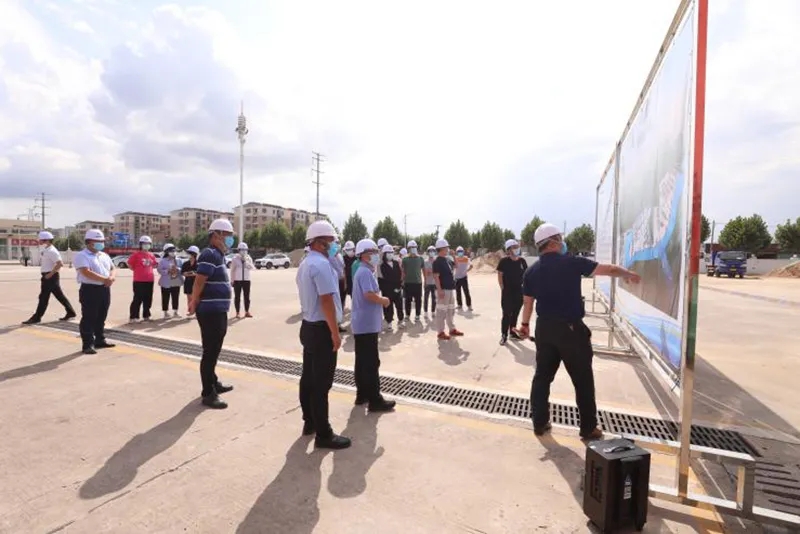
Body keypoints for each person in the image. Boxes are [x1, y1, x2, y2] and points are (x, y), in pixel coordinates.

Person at [519, 222, 641, 440]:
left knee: (542, 378)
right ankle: (588, 428)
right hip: (571, 331)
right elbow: (609, 269)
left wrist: (525, 325)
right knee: (582, 379)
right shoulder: (572, 262)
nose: (563, 242)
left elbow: (528, 302)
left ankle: (539, 422)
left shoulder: (531, 271)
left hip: (544, 329)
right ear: (553, 242)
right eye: (560, 238)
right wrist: (628, 273)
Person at [296, 220, 351, 449]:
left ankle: (309, 422)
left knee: (308, 378)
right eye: (331, 241)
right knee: (321, 384)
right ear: (320, 243)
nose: (334, 245)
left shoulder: (305, 263)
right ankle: (323, 434)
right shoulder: (321, 265)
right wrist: (335, 333)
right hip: (322, 329)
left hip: (308, 326)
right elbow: (326, 300)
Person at [188, 219, 236, 409]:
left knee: (214, 349)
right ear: (216, 235)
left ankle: (213, 382)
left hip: (218, 310)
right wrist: (194, 301)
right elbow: (199, 280)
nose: (230, 239)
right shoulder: (209, 253)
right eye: (228, 236)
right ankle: (208, 393)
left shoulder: (218, 255)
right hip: (210, 311)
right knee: (210, 351)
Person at [351, 238, 396, 412]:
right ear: (363, 255)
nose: (376, 255)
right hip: (366, 324)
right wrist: (383, 300)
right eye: (373, 252)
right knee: (371, 362)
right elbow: (369, 295)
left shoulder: (364, 271)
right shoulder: (364, 272)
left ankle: (362, 394)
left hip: (363, 323)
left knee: (362, 361)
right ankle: (375, 400)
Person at [73, 229, 116, 355]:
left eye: (102, 241)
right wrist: (104, 279)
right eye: (98, 241)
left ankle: (100, 340)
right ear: (89, 242)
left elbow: (113, 268)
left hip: (105, 289)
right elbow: (86, 272)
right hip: (90, 290)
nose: (101, 243)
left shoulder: (104, 255)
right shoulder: (82, 255)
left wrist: (111, 277)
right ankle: (87, 344)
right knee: (89, 317)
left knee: (102, 316)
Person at [22, 231, 76, 325]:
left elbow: (60, 263)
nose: (39, 241)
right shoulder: (47, 249)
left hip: (50, 277)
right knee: (59, 296)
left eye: (41, 240)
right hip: (48, 276)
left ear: (46, 240)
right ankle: (71, 312)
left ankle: (37, 317)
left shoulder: (52, 251)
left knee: (43, 297)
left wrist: (50, 274)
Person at [496, 239, 528, 345]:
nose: (517, 249)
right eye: (514, 247)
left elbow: (526, 275)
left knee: (515, 313)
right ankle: (504, 334)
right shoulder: (504, 261)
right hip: (507, 292)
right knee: (506, 314)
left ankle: (512, 333)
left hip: (519, 291)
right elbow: (500, 275)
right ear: (508, 250)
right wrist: (502, 288)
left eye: (517, 247)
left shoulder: (522, 261)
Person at [432, 238, 463, 340]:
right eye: (446, 247)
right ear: (441, 248)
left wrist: (454, 256)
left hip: (450, 289)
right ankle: (440, 332)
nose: (448, 249)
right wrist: (439, 290)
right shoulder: (437, 261)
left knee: (450, 310)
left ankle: (452, 329)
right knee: (441, 311)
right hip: (443, 290)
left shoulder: (448, 259)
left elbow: (457, 266)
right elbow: (436, 277)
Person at [127, 235, 157, 323]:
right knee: (137, 299)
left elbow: (154, 264)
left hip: (149, 280)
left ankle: (146, 316)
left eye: (148, 244)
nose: (146, 245)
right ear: (140, 244)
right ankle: (133, 317)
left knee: (148, 299)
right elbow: (129, 265)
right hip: (139, 281)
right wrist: (137, 271)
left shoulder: (151, 255)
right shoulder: (136, 255)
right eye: (144, 243)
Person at [378, 243, 404, 329]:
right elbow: (386, 277)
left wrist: (399, 286)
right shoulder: (382, 266)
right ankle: (389, 322)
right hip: (387, 290)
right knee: (388, 307)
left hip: (397, 289)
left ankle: (401, 320)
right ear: (384, 254)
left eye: (391, 252)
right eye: (388, 253)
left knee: (399, 305)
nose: (390, 254)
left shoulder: (396, 263)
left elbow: (399, 274)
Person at [158, 243, 183, 318]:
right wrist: (167, 271)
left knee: (175, 297)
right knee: (165, 297)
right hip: (166, 282)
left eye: (174, 251)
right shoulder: (163, 261)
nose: (173, 252)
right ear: (167, 252)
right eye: (171, 251)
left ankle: (175, 312)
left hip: (176, 281)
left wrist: (177, 269)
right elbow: (159, 270)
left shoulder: (178, 260)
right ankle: (165, 312)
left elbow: (182, 269)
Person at [401, 239, 424, 321]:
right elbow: (403, 271)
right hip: (408, 283)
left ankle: (417, 315)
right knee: (408, 300)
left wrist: (425, 281)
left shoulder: (420, 258)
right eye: (411, 247)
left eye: (414, 247)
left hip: (418, 283)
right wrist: (402, 281)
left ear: (416, 248)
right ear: (408, 249)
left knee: (418, 300)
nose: (413, 249)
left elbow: (423, 270)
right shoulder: (405, 259)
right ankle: (407, 315)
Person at [230, 242, 254, 318]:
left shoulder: (248, 258)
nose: (244, 251)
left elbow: (252, 267)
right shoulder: (235, 259)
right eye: (242, 250)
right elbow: (232, 270)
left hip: (247, 280)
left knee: (247, 297)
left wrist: (245, 262)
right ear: (239, 250)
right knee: (237, 297)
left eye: (245, 250)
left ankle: (247, 311)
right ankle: (237, 312)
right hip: (237, 280)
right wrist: (232, 280)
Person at [328, 240, 347, 333]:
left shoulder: (340, 256)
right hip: (333, 282)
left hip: (341, 281)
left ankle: (339, 322)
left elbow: (343, 269)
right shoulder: (328, 257)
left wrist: (345, 282)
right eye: (335, 244)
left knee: (341, 302)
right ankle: (333, 325)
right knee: (334, 303)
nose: (337, 246)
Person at [181, 245, 200, 316]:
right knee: (189, 298)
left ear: (194, 254)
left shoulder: (199, 264)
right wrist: (190, 274)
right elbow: (183, 273)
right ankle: (191, 311)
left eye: (190, 253)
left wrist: (192, 273)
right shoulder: (185, 263)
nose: (188, 255)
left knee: (197, 298)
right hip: (188, 283)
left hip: (196, 283)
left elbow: (199, 273)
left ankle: (198, 312)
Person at [454, 245, 473, 311]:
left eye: (461, 251)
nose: (460, 252)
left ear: (463, 252)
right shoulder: (455, 259)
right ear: (457, 252)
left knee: (466, 292)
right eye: (458, 251)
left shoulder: (466, 258)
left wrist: (466, 270)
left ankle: (469, 305)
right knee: (458, 292)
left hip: (464, 277)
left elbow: (471, 266)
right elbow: (453, 267)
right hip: (457, 278)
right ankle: (459, 305)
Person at [342, 240, 357, 310]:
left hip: (355, 280)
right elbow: (343, 269)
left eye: (350, 249)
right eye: (347, 250)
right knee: (343, 296)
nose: (349, 251)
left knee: (354, 296)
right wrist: (345, 282)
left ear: (354, 249)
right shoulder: (344, 258)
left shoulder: (357, 258)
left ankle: (355, 308)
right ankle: (342, 308)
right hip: (346, 280)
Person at [423, 245, 437, 317]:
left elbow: (437, 272)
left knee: (434, 298)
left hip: (435, 283)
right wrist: (425, 281)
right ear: (428, 252)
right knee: (426, 298)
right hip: (427, 282)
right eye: (430, 251)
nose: (431, 252)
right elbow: (426, 272)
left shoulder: (436, 261)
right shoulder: (425, 261)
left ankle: (433, 311)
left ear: (435, 252)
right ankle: (425, 312)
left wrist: (431, 271)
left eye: (433, 251)